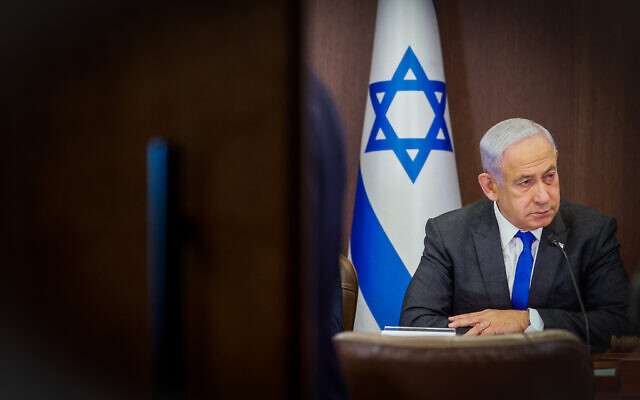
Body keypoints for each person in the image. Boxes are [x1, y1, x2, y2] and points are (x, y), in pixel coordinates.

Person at [400, 118, 636, 352]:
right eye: (525, 182)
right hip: (474, 381)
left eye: (549, 176)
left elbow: (622, 324)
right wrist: (494, 334)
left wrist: (530, 321)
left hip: (559, 382)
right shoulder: (449, 233)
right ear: (490, 186)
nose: (543, 196)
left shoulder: (592, 232)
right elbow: (415, 324)